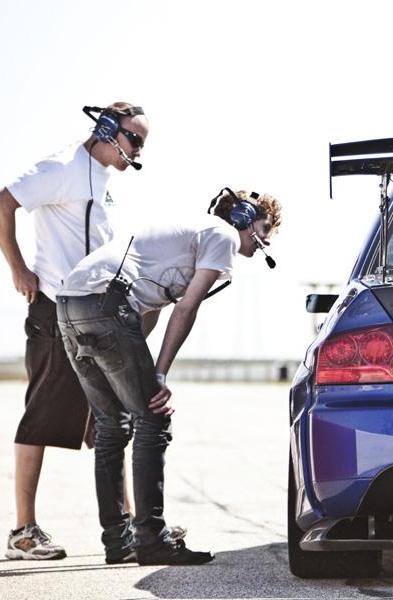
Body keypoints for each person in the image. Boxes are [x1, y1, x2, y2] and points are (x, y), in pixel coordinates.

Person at [55, 188, 281, 565]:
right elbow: (186, 309)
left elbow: (151, 308)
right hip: (106, 306)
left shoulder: (189, 233)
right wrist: (157, 375)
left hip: (70, 305)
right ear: (243, 217)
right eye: (265, 228)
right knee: (154, 418)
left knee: (112, 426)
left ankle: (119, 541)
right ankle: (151, 540)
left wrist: (134, 365)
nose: (268, 240)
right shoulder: (224, 236)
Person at [0, 102, 149, 560]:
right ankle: (22, 531)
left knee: (111, 420)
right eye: (136, 139)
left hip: (96, 316)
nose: (139, 150)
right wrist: (19, 269)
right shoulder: (62, 167)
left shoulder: (104, 180)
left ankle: (133, 525)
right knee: (41, 415)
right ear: (108, 129)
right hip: (55, 312)